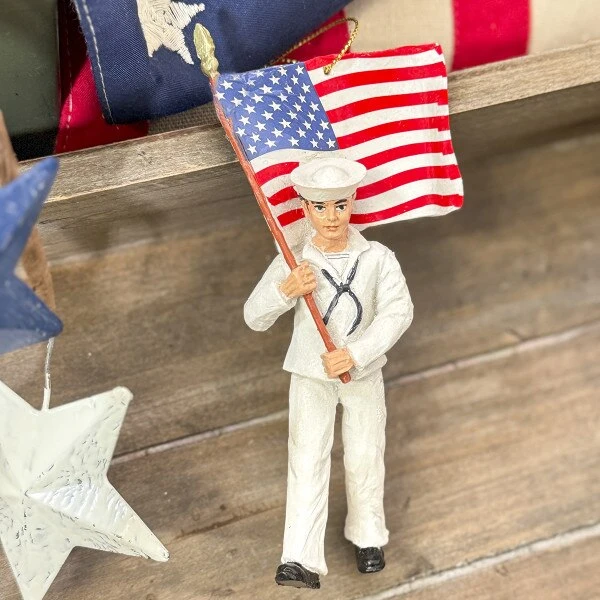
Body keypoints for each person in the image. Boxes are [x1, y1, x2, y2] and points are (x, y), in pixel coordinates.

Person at [244, 157, 414, 589]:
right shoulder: (293, 259)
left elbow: (398, 312)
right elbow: (253, 316)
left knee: (365, 453)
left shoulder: (378, 257)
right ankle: (299, 556)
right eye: (320, 207)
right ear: (305, 208)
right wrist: (285, 291)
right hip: (310, 374)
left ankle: (368, 535)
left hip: (363, 374)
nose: (332, 216)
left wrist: (356, 353)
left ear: (353, 202)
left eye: (340, 205)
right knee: (306, 457)